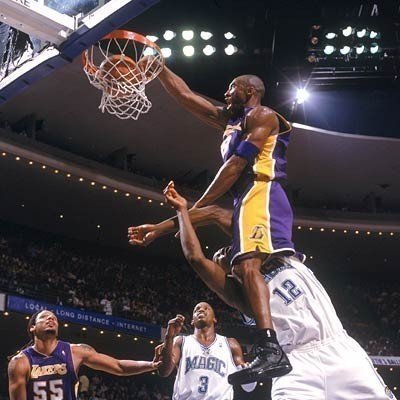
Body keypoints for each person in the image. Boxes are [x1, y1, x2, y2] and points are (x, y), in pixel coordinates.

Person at [130, 66, 295, 384]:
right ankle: (267, 341)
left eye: (231, 88)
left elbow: (236, 165)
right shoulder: (229, 120)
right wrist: (158, 66)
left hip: (261, 188)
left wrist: (199, 202)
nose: (225, 94)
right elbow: (185, 95)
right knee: (235, 261)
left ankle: (270, 346)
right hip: (245, 198)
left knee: (246, 265)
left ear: (250, 91)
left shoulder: (263, 115)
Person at [160, 183, 396, 399]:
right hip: (293, 365)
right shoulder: (242, 297)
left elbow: (224, 217)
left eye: (227, 249)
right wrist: (182, 212)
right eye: (219, 256)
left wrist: (167, 224)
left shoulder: (278, 254)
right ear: (228, 273)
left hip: (337, 350)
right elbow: (196, 258)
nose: (224, 252)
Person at [8, 309, 161, 400]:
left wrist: (152, 365)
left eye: (54, 318)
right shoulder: (20, 362)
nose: (51, 319)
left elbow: (118, 366)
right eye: (45, 317)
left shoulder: (75, 351)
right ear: (32, 327)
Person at [157, 302, 247, 399]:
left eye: (206, 308)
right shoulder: (181, 341)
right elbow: (164, 371)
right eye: (197, 309)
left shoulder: (230, 344)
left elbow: (244, 375)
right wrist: (169, 337)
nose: (201, 310)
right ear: (192, 321)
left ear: (214, 319)